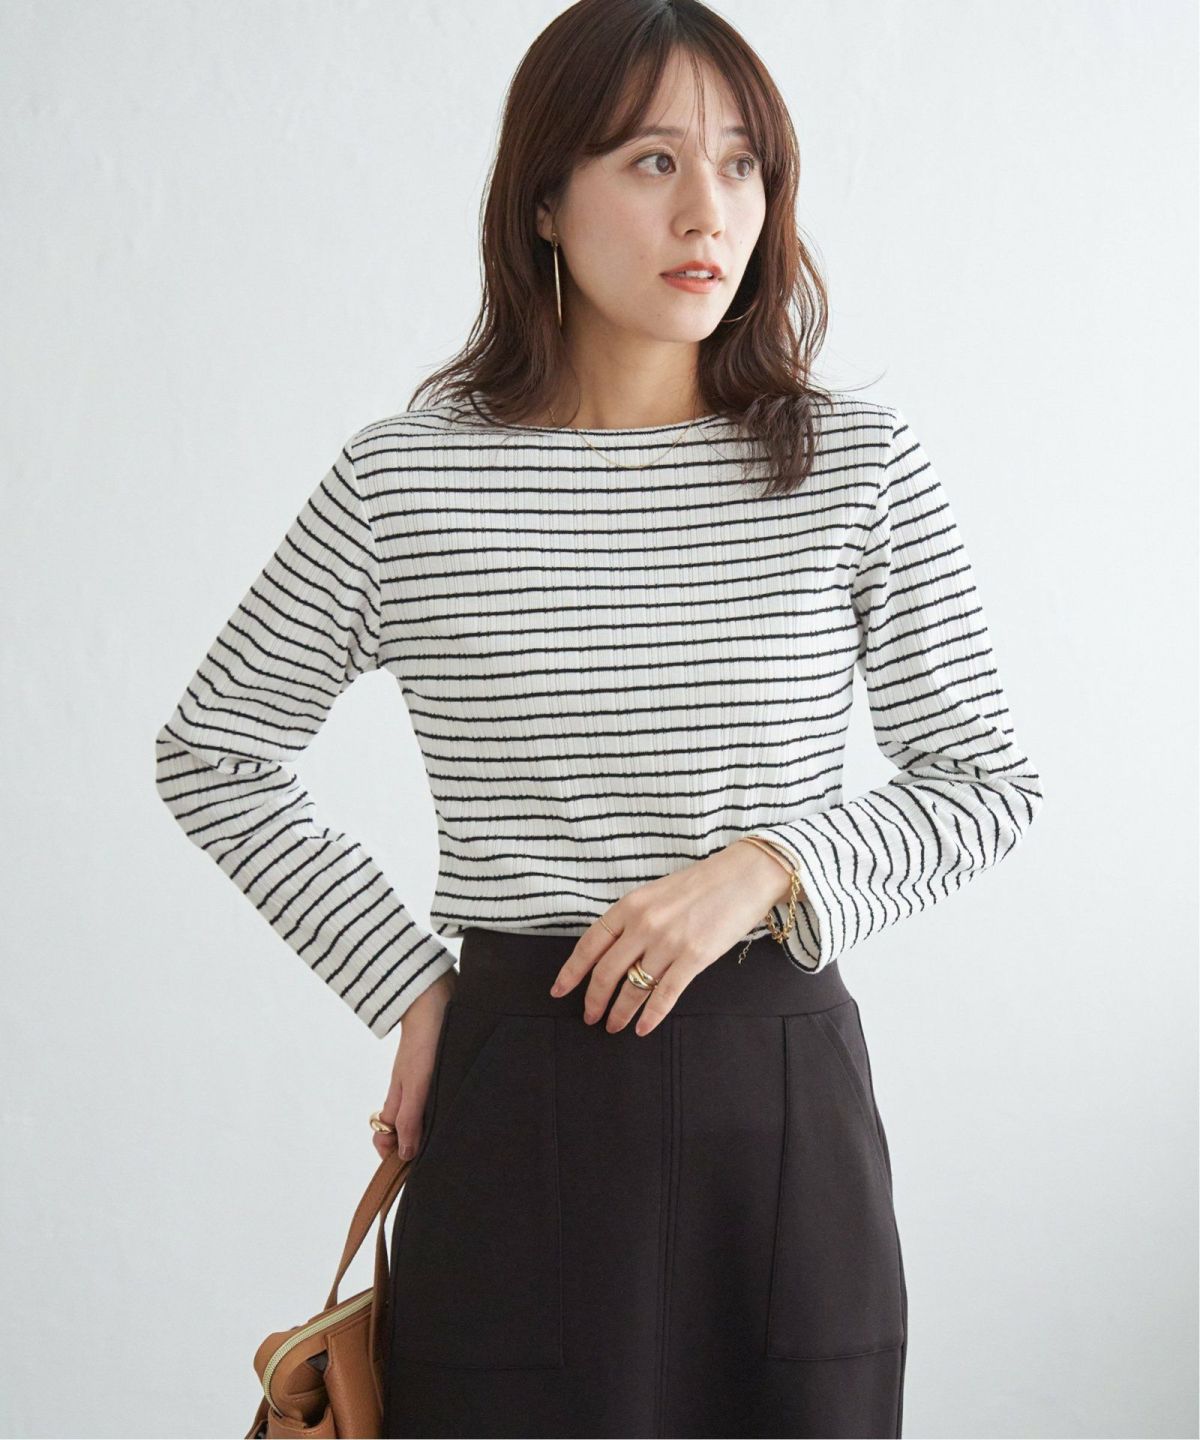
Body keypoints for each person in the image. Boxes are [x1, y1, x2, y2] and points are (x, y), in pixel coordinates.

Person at [153, 2, 1046, 1435]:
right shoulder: (407, 481)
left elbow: (984, 782)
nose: (710, 210)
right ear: (543, 200)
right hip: (521, 1098)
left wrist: (766, 867)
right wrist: (414, 986)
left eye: (743, 164)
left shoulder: (853, 464)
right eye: (652, 161)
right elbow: (214, 753)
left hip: (782, 1113)